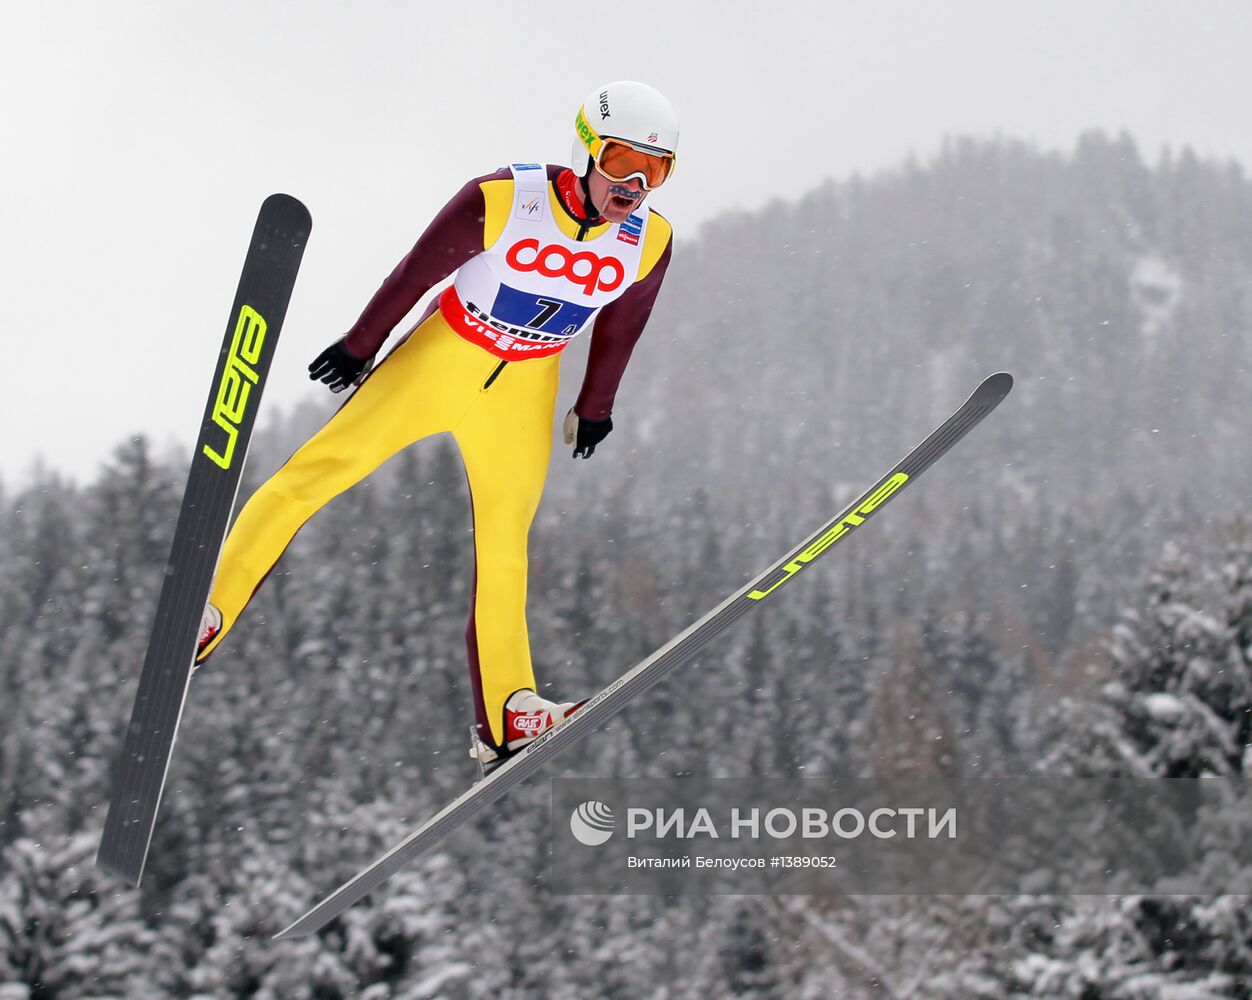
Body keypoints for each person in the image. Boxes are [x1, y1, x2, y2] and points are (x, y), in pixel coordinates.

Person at [194, 81, 678, 764]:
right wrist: (363, 342)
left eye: (656, 170)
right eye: (624, 160)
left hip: (526, 386)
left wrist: (594, 406)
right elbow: (417, 270)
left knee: (507, 545)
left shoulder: (648, 239)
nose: (635, 184)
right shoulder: (506, 198)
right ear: (587, 149)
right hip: (444, 355)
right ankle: (207, 613)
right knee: (314, 475)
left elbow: (623, 326)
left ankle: (508, 715)